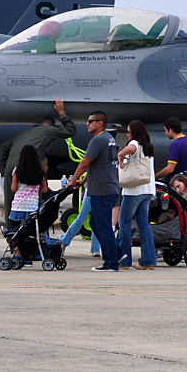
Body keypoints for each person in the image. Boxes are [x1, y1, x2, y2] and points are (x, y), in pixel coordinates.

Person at [0, 99, 75, 219]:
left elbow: (1, 149)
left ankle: (11, 231)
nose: (51, 145)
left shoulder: (25, 133)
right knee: (34, 199)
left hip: (11, 167)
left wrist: (4, 170)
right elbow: (71, 130)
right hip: (27, 166)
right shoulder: (49, 130)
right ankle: (34, 230)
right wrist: (61, 112)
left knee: (10, 202)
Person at [71, 111, 121, 272]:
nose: (87, 124)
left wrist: (72, 180)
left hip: (102, 190)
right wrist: (84, 181)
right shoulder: (109, 139)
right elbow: (101, 165)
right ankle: (117, 253)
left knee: (102, 225)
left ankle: (111, 262)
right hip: (108, 188)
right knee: (95, 223)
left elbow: (85, 163)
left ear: (100, 123)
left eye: (91, 121)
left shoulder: (97, 140)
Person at [117, 120, 157, 271]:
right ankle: (148, 260)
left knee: (124, 223)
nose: (127, 135)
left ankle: (124, 260)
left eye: (128, 132)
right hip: (147, 190)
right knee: (144, 224)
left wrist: (120, 154)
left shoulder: (135, 143)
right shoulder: (148, 148)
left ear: (133, 133)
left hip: (134, 190)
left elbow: (131, 148)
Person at [156, 116, 187, 216]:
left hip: (176, 185)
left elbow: (170, 168)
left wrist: (156, 176)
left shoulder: (176, 145)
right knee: (185, 215)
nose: (165, 133)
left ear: (171, 130)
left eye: (166, 130)